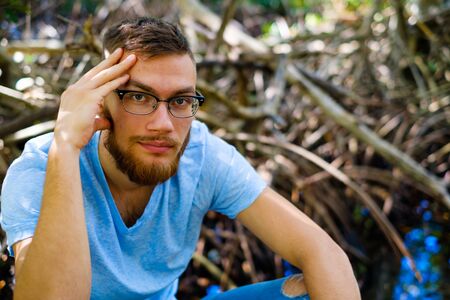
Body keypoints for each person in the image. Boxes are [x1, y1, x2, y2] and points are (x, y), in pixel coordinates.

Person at [0, 17, 360, 300]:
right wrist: (66, 146)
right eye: (140, 98)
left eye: (180, 101)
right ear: (103, 102)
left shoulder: (203, 158)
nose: (164, 125)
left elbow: (322, 252)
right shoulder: (40, 169)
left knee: (317, 287)